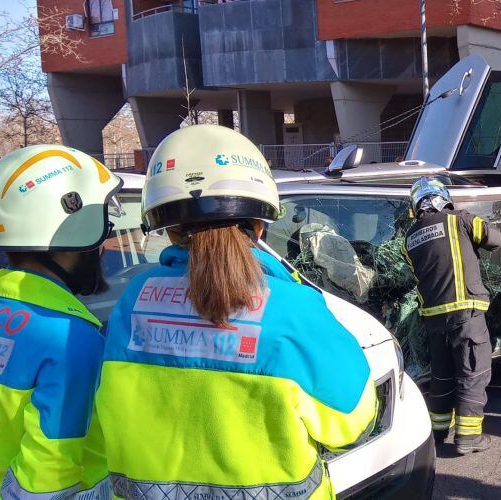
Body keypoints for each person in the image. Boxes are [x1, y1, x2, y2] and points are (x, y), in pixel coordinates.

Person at [97, 125, 378, 497]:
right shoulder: (293, 309)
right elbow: (351, 423)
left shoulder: (133, 300)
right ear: (259, 224)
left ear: (167, 229)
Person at [0, 145, 120, 498]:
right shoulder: (71, 340)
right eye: (104, 227)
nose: (105, 243)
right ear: (76, 226)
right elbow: (47, 480)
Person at [403, 176, 501, 454]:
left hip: (434, 319)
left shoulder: (409, 239)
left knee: (443, 375)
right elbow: (496, 239)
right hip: (465, 312)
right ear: (442, 197)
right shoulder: (460, 219)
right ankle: (469, 437)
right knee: (473, 371)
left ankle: (437, 431)